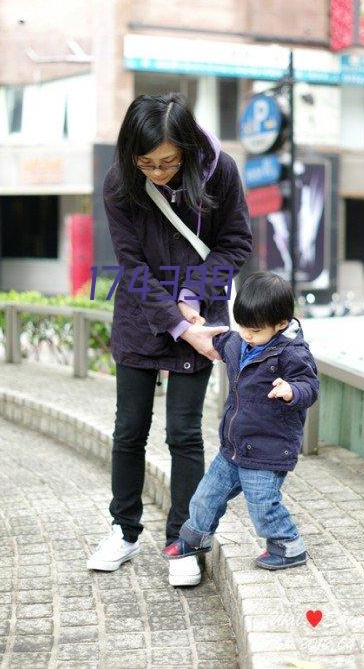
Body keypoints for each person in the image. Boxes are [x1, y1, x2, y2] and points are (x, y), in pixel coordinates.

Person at [86, 92, 253, 586]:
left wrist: (192, 298)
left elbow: (235, 241)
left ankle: (184, 538)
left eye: (168, 162)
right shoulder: (120, 180)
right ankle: (123, 529)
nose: (157, 173)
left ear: (185, 149)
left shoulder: (219, 170)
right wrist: (176, 318)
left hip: (201, 317)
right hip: (143, 316)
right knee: (128, 431)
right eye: (147, 164)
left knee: (183, 433)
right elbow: (131, 267)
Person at [162, 271, 319, 573]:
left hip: (267, 449)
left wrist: (291, 390)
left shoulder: (292, 353)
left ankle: (288, 546)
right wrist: (201, 328)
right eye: (243, 326)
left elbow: (309, 386)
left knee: (263, 504)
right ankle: (194, 537)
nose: (247, 334)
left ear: (281, 324)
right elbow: (221, 341)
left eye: (255, 330)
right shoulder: (239, 342)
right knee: (207, 493)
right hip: (233, 446)